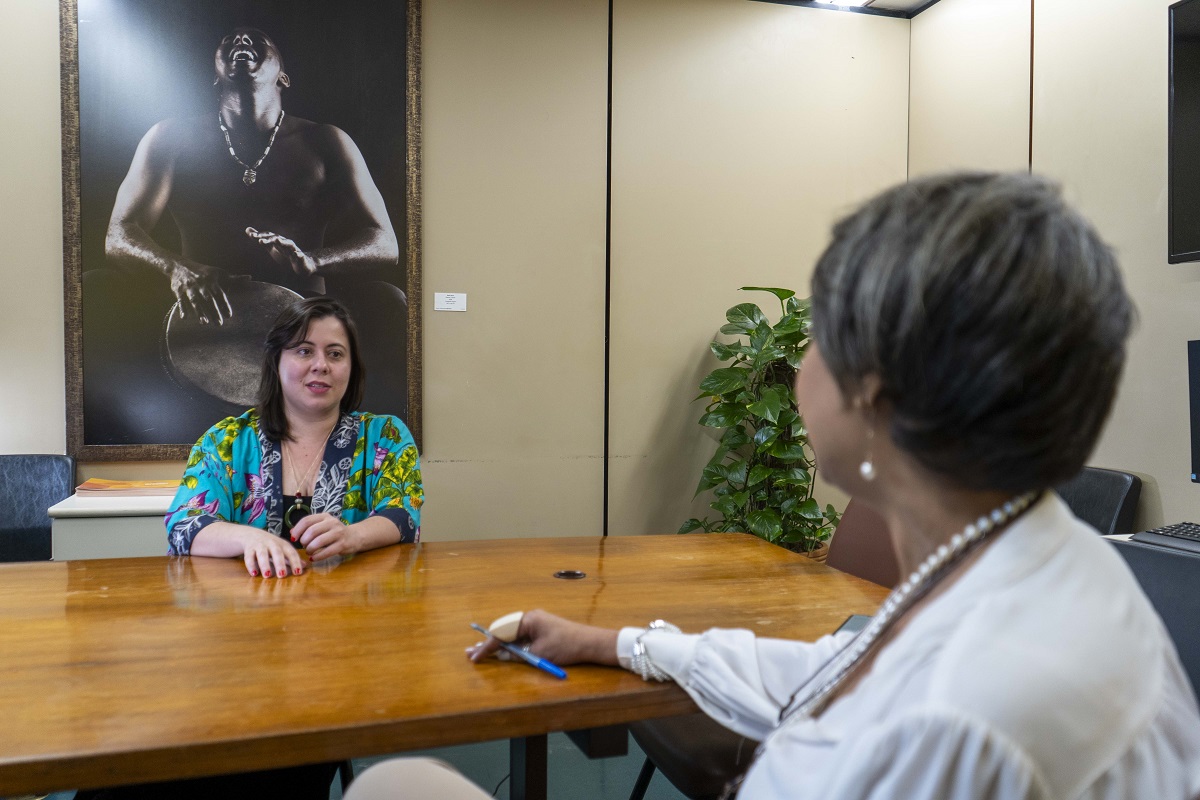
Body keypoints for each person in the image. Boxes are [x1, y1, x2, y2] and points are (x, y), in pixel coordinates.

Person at [350, 173, 1200, 799]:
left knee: (393, 787)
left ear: (875, 393)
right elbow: (828, 668)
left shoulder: (956, 723)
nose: (797, 368)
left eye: (818, 336)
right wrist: (611, 643)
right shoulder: (1033, 562)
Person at [86, 26, 407, 443]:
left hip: (302, 319)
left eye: (258, 39)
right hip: (203, 320)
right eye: (230, 40)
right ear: (216, 75)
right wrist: (175, 267)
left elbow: (384, 242)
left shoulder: (327, 141)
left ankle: (366, 450)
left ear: (283, 75)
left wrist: (313, 260)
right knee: (93, 287)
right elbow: (119, 234)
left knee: (389, 300)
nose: (241, 40)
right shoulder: (171, 138)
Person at [165, 295, 422, 577]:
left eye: (335, 354)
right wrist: (249, 539)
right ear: (276, 361)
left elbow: (403, 515)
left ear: (352, 368)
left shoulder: (386, 436)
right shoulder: (226, 441)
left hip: (351, 600)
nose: (321, 365)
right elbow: (183, 525)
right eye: (304, 351)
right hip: (248, 600)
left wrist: (353, 536)